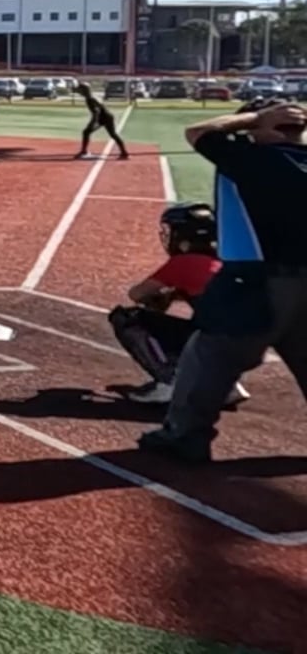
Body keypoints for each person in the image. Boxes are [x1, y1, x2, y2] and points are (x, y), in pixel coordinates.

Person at [140, 97, 307, 463]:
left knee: (210, 356)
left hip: (257, 280)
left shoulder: (254, 160)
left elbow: (198, 132)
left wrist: (255, 118)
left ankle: (185, 435)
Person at [108, 202, 249, 405]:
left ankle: (170, 381)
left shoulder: (184, 262)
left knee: (126, 318)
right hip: (250, 345)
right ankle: (226, 384)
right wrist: (175, 294)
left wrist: (165, 295)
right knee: (209, 323)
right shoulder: (226, 261)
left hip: (217, 342)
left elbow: (137, 294)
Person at [73, 82, 129, 160]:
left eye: (80, 90)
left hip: (104, 117)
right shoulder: (91, 97)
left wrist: (93, 122)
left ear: (84, 90)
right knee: (112, 134)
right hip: (106, 116)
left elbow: (97, 112)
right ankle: (124, 153)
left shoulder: (90, 99)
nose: (79, 92)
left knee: (87, 132)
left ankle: (84, 152)